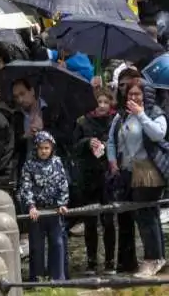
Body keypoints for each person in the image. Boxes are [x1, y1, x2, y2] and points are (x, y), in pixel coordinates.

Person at [107, 78, 167, 278]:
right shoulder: (121, 115)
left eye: (137, 94)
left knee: (147, 215)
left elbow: (158, 134)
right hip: (127, 171)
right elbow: (112, 140)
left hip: (148, 171)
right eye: (130, 94)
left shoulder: (154, 113)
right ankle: (158, 257)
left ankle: (153, 259)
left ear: (145, 95)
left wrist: (140, 114)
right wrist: (113, 160)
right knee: (144, 215)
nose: (132, 97)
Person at [74, 89, 116, 275]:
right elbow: (73, 146)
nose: (102, 106)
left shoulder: (115, 121)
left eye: (106, 102)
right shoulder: (83, 121)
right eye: (99, 102)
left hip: (108, 176)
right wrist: (86, 142)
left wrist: (107, 145)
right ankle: (91, 262)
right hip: (89, 176)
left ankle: (109, 261)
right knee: (90, 220)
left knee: (108, 220)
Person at [19, 131, 70, 281]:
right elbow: (25, 187)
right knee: (37, 247)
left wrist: (62, 203)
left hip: (54, 211)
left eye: (47, 148)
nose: (44, 151)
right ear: (36, 148)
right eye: (41, 148)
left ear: (52, 148)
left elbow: (63, 184)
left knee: (58, 243)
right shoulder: (29, 165)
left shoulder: (57, 162)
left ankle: (58, 278)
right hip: (38, 213)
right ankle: (37, 279)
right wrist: (31, 206)